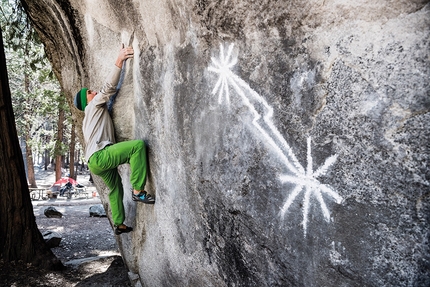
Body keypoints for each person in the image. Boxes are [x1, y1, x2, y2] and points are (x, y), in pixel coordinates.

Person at [74, 44, 155, 235]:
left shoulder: (91, 115)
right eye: (90, 92)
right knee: (137, 146)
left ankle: (118, 223)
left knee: (115, 188)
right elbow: (108, 88)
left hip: (94, 162)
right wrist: (119, 60)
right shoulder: (93, 107)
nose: (93, 92)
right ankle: (138, 191)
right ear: (88, 100)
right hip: (101, 156)